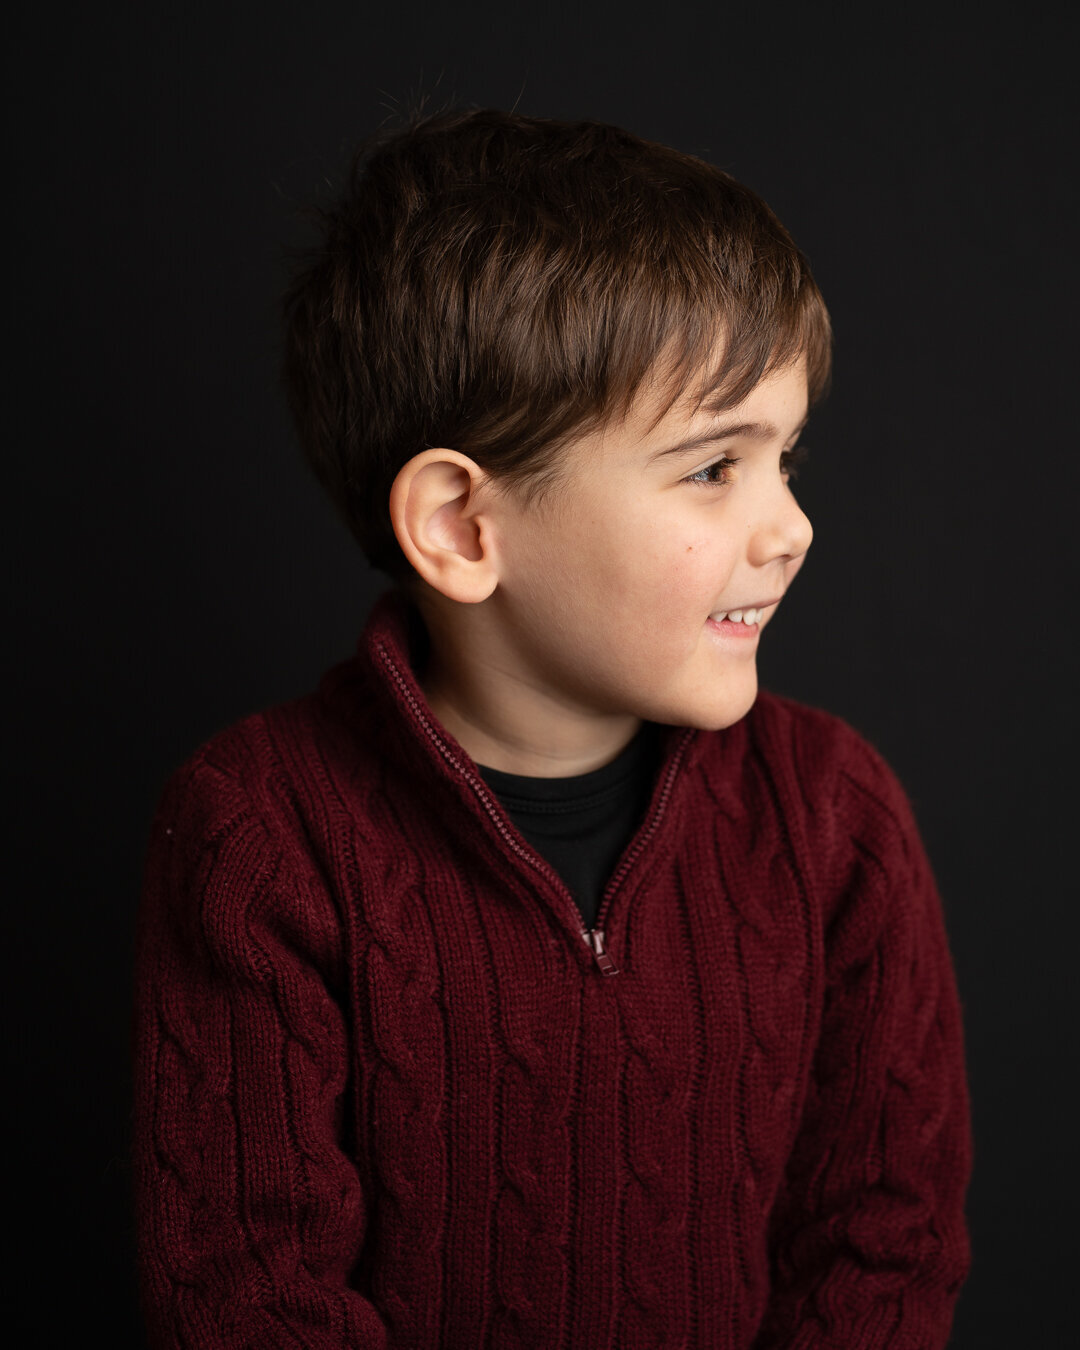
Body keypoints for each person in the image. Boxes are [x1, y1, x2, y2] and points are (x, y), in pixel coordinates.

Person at [132, 106, 972, 1348]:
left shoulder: (835, 817)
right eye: (710, 467)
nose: (789, 526)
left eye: (787, 457)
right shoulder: (261, 836)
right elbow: (250, 1291)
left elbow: (883, 1240)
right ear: (465, 530)